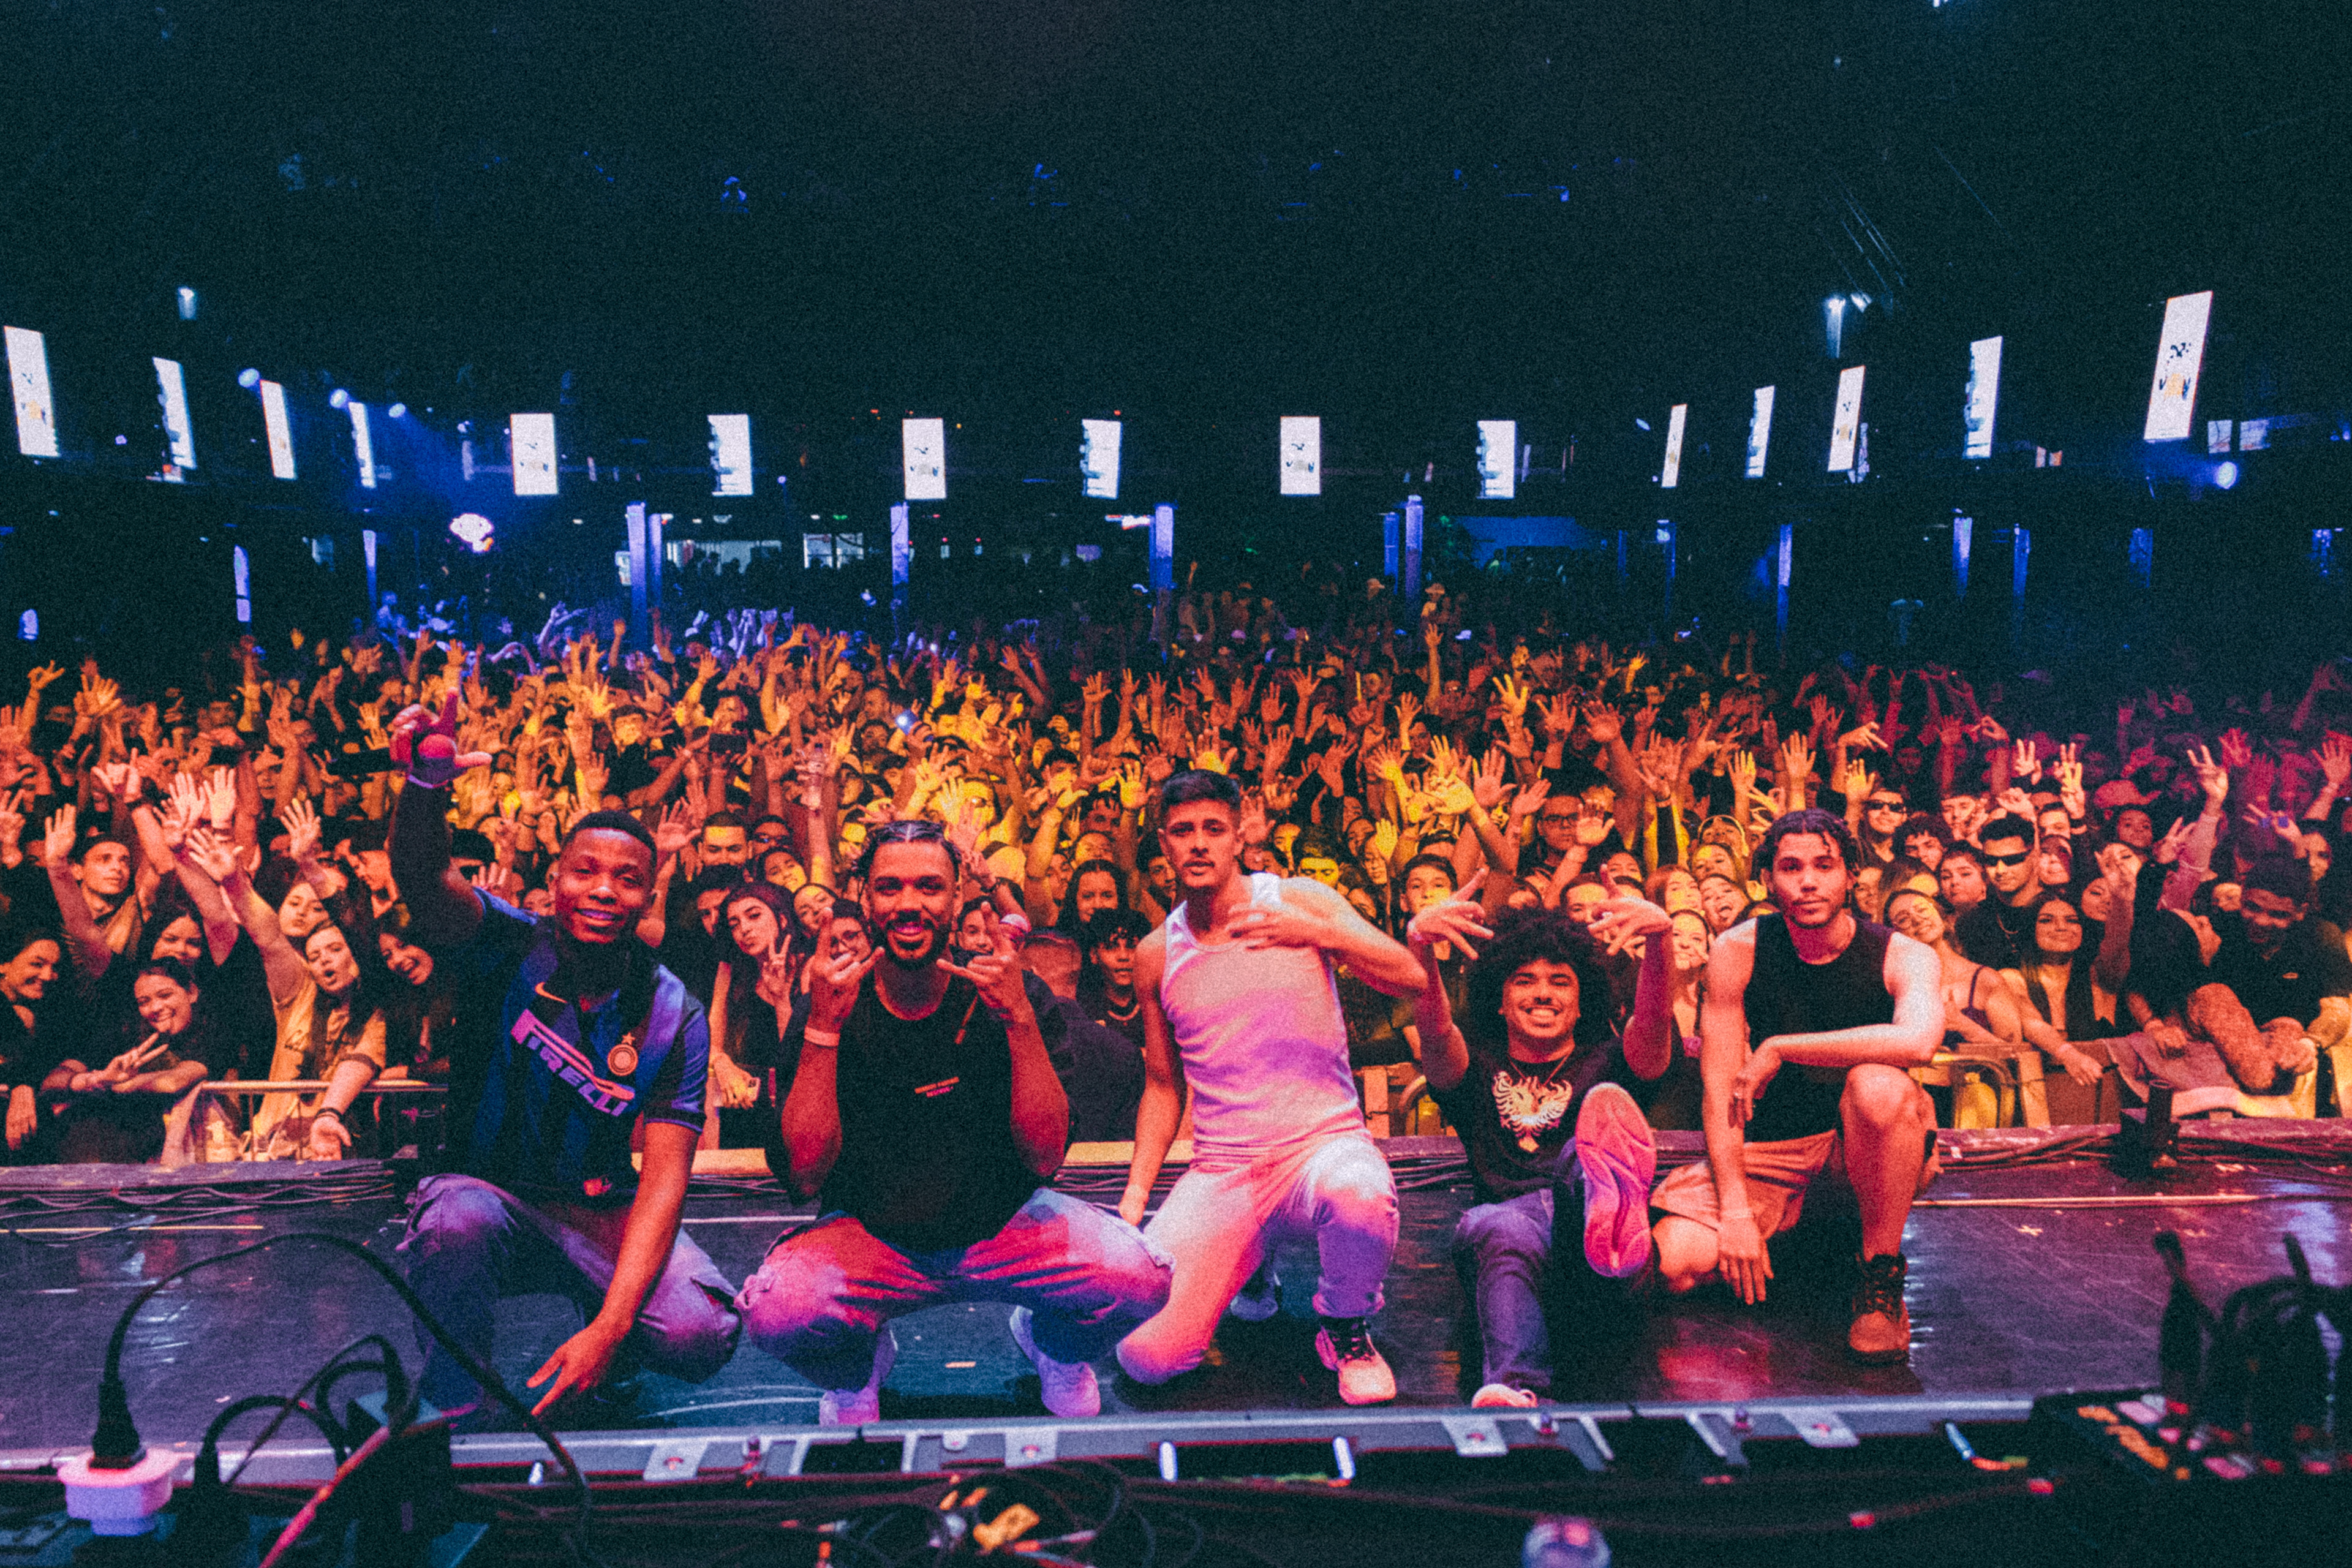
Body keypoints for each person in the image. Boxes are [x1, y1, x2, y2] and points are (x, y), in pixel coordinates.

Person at [735, 819, 1169, 1422]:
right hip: (873, 1235)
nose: (909, 904)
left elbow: (1046, 1156)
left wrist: (1018, 1019)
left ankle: (1053, 1347)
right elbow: (805, 1175)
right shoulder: (830, 1001)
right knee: (777, 1312)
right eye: (889, 887)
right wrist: (823, 1029)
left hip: (1005, 1224)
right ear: (864, 896)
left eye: (929, 886)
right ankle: (856, 1370)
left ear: (958, 894)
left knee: (1141, 1278)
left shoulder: (1012, 990)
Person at [386, 698, 742, 1422]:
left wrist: (610, 1330)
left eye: (627, 879)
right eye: (586, 871)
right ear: (556, 881)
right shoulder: (504, 941)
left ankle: (608, 1341)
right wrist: (425, 787)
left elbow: (665, 1178)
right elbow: (424, 877)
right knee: (455, 1221)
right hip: (486, 1197)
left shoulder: (674, 1011)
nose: (605, 890)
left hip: (595, 1208)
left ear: (648, 895)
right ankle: (457, 1408)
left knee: (702, 1329)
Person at [1115, 770, 1427, 1406]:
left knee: (1361, 1195)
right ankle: (1251, 1267)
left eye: (1213, 829)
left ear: (1239, 837)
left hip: (1321, 1148)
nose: (1198, 843)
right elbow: (1162, 1085)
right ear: (1164, 845)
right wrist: (1135, 1195)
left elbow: (1411, 977)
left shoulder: (1300, 899)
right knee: (1145, 1356)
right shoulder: (1156, 953)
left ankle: (1345, 1327)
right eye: (1182, 831)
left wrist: (1322, 934)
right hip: (1225, 1169)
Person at [1635, 809, 1945, 1364]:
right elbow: (1720, 1092)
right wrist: (1735, 1213)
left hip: (1862, 1150)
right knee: (1675, 1263)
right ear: (1767, 880)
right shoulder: (1739, 950)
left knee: (1877, 1086)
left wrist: (1782, 1047)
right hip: (1774, 1153)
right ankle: (1814, 1245)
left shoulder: (1905, 954)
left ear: (1851, 875)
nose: (1808, 882)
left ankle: (1879, 1276)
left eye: (1824, 866)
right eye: (1791, 868)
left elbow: (1919, 1041)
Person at [1408, 890, 1675, 1406]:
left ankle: (1608, 1215)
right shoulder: (1475, 1068)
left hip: (1593, 1269)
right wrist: (1420, 946)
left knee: (1588, 1144)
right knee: (1497, 1224)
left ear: (1583, 1000)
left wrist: (1660, 943)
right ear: (1499, 999)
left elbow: (1653, 1024)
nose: (1543, 993)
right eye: (1524, 980)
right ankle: (1520, 1394)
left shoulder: (1611, 1063)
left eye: (1560, 981)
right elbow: (1435, 1030)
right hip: (1514, 1257)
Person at [1955, 815, 2040, 970]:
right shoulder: (1971, 923)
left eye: (2011, 860)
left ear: (2034, 857)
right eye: (1992, 861)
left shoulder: (2059, 913)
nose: (2000, 870)